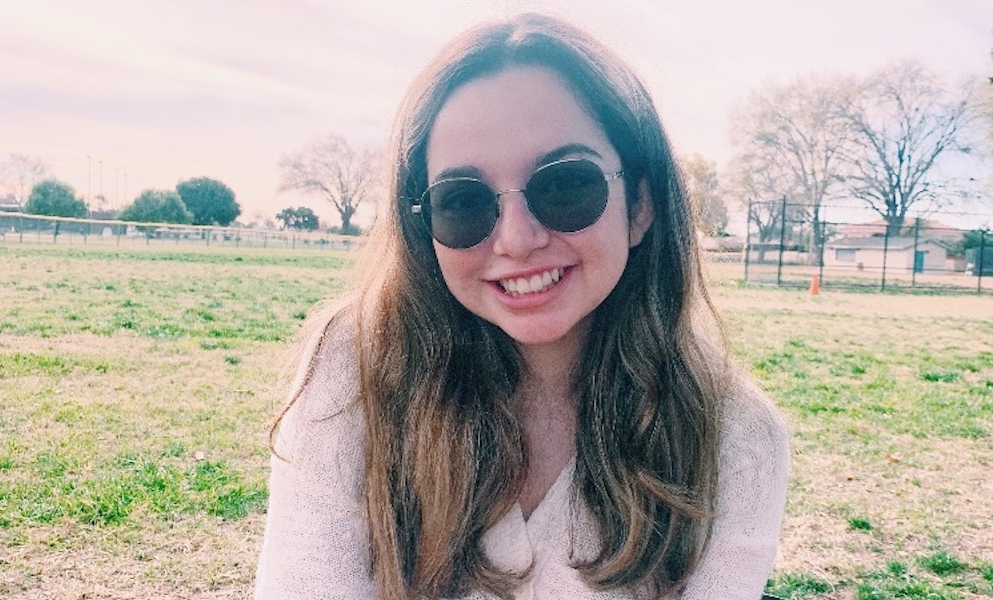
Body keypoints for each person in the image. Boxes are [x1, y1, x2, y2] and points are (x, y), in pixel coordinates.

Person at [255, 12, 789, 600]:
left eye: (564, 185)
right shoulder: (352, 371)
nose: (515, 238)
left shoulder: (736, 436)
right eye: (462, 201)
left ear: (640, 204)